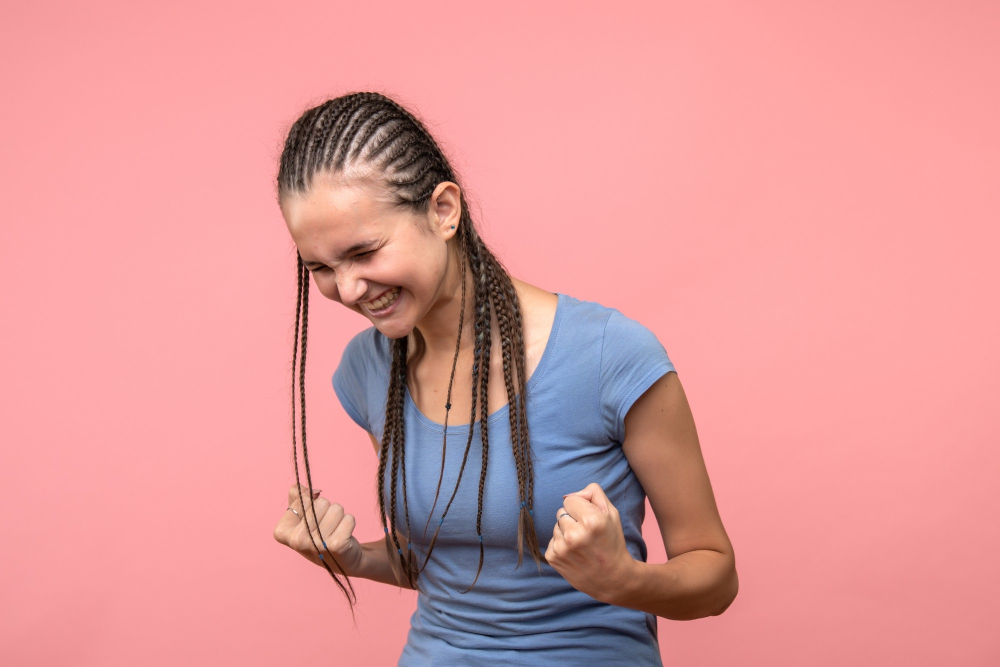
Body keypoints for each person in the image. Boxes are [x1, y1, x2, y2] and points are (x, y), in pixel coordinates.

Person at [271, 91, 738, 666]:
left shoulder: (608, 355)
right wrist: (348, 556)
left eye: (364, 251)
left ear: (443, 210)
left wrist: (619, 580)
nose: (346, 290)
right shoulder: (371, 370)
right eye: (319, 266)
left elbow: (716, 576)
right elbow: (447, 558)